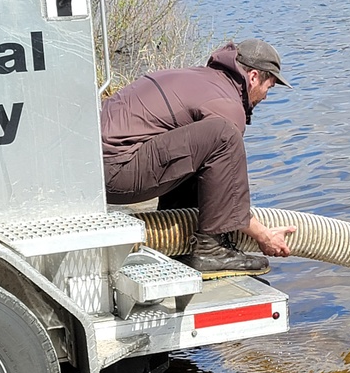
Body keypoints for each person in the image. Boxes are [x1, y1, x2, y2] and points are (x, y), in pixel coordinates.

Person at [100, 39, 296, 275]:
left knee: (201, 140)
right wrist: (263, 235)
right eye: (269, 87)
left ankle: (179, 240)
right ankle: (210, 251)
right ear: (253, 77)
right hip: (117, 171)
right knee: (223, 135)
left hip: (93, 167)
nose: (265, 96)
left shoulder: (198, 78)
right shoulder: (227, 104)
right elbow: (228, 182)